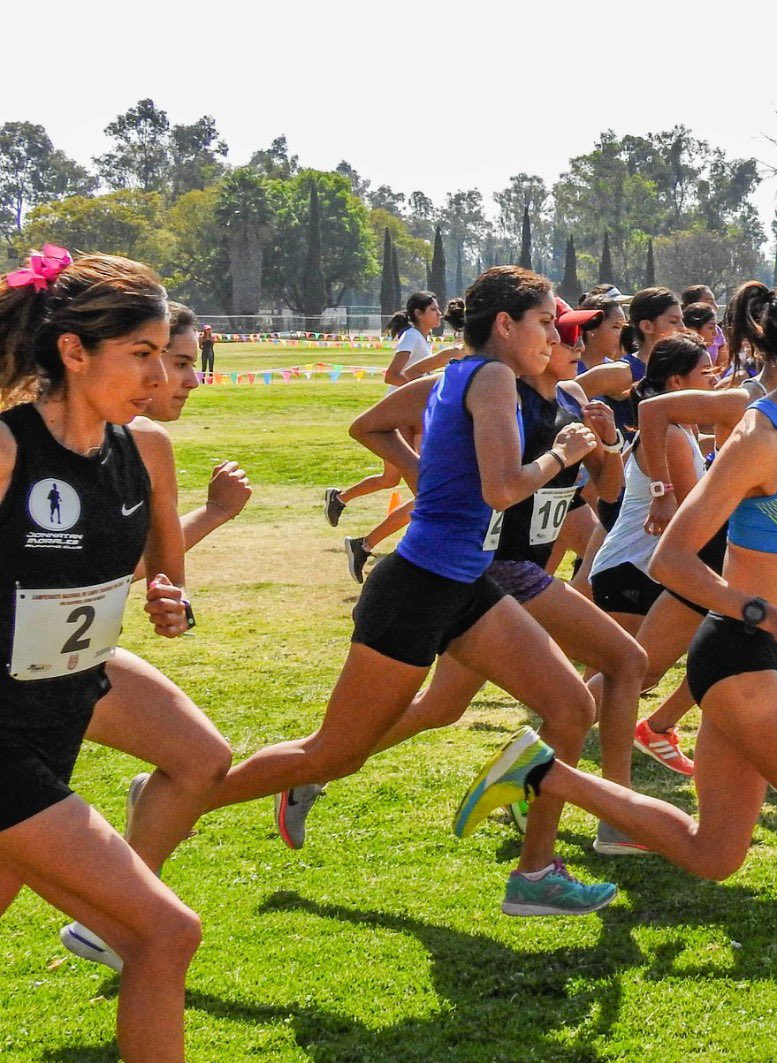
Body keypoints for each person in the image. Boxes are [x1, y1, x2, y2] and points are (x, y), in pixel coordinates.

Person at [458, 268, 777, 1063]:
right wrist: (766, 615)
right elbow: (678, 557)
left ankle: (544, 774)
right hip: (738, 657)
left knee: (716, 855)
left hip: (757, 651)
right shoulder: (761, 435)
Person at [194, 267, 637, 920]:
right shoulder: (484, 377)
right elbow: (500, 489)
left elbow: (565, 487)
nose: (555, 334)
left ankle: (536, 873)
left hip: (468, 583)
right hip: (423, 584)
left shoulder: (507, 384)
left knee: (570, 706)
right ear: (507, 326)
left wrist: (582, 449)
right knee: (333, 752)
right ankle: (181, 796)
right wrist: (560, 456)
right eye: (546, 322)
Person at [0, 248, 243, 1063]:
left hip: (64, 711)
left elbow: (145, 578)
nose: (160, 374)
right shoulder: (12, 448)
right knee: (162, 934)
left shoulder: (144, 455)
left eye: (164, 353)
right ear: (71, 350)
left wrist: (169, 602)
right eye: (141, 354)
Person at [323, 291, 461, 530]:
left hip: (410, 415)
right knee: (419, 480)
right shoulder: (412, 337)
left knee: (391, 479)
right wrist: (416, 390)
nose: (440, 314)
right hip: (400, 415)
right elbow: (392, 375)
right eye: (433, 310)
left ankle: (339, 498)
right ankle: (417, 534)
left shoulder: (422, 338)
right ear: (418, 314)